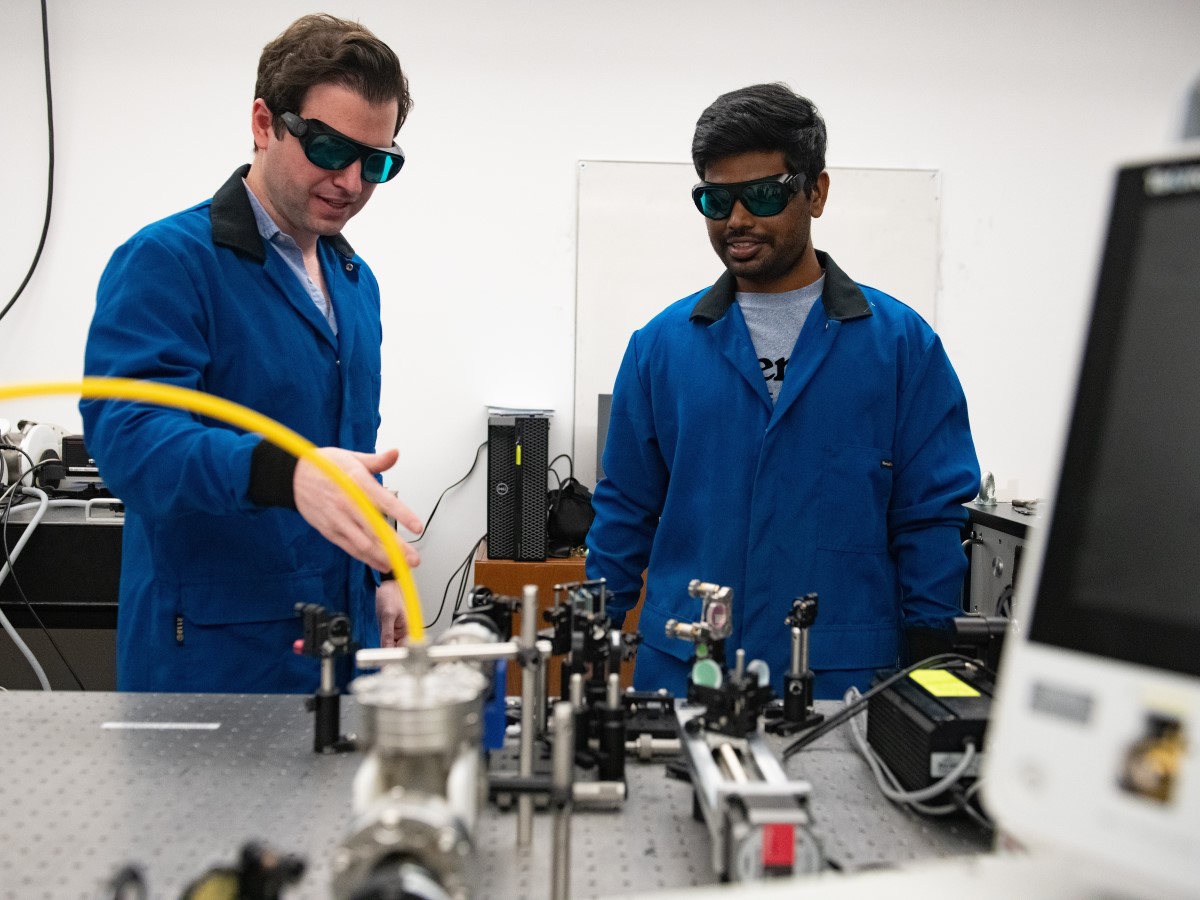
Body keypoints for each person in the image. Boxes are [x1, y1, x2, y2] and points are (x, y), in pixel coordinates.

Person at [586, 83, 980, 700]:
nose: (737, 220)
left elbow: (930, 520)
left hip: (841, 682)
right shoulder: (661, 348)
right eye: (716, 200)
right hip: (690, 675)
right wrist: (593, 639)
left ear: (816, 193)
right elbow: (624, 513)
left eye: (764, 195)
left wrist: (931, 674)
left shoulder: (901, 347)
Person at [80, 14, 423, 693]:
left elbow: (352, 451)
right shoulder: (168, 262)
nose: (352, 182)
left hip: (335, 641)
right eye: (329, 148)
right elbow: (129, 440)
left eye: (377, 162)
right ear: (265, 123)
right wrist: (284, 474)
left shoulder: (355, 283)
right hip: (211, 654)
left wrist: (380, 572)